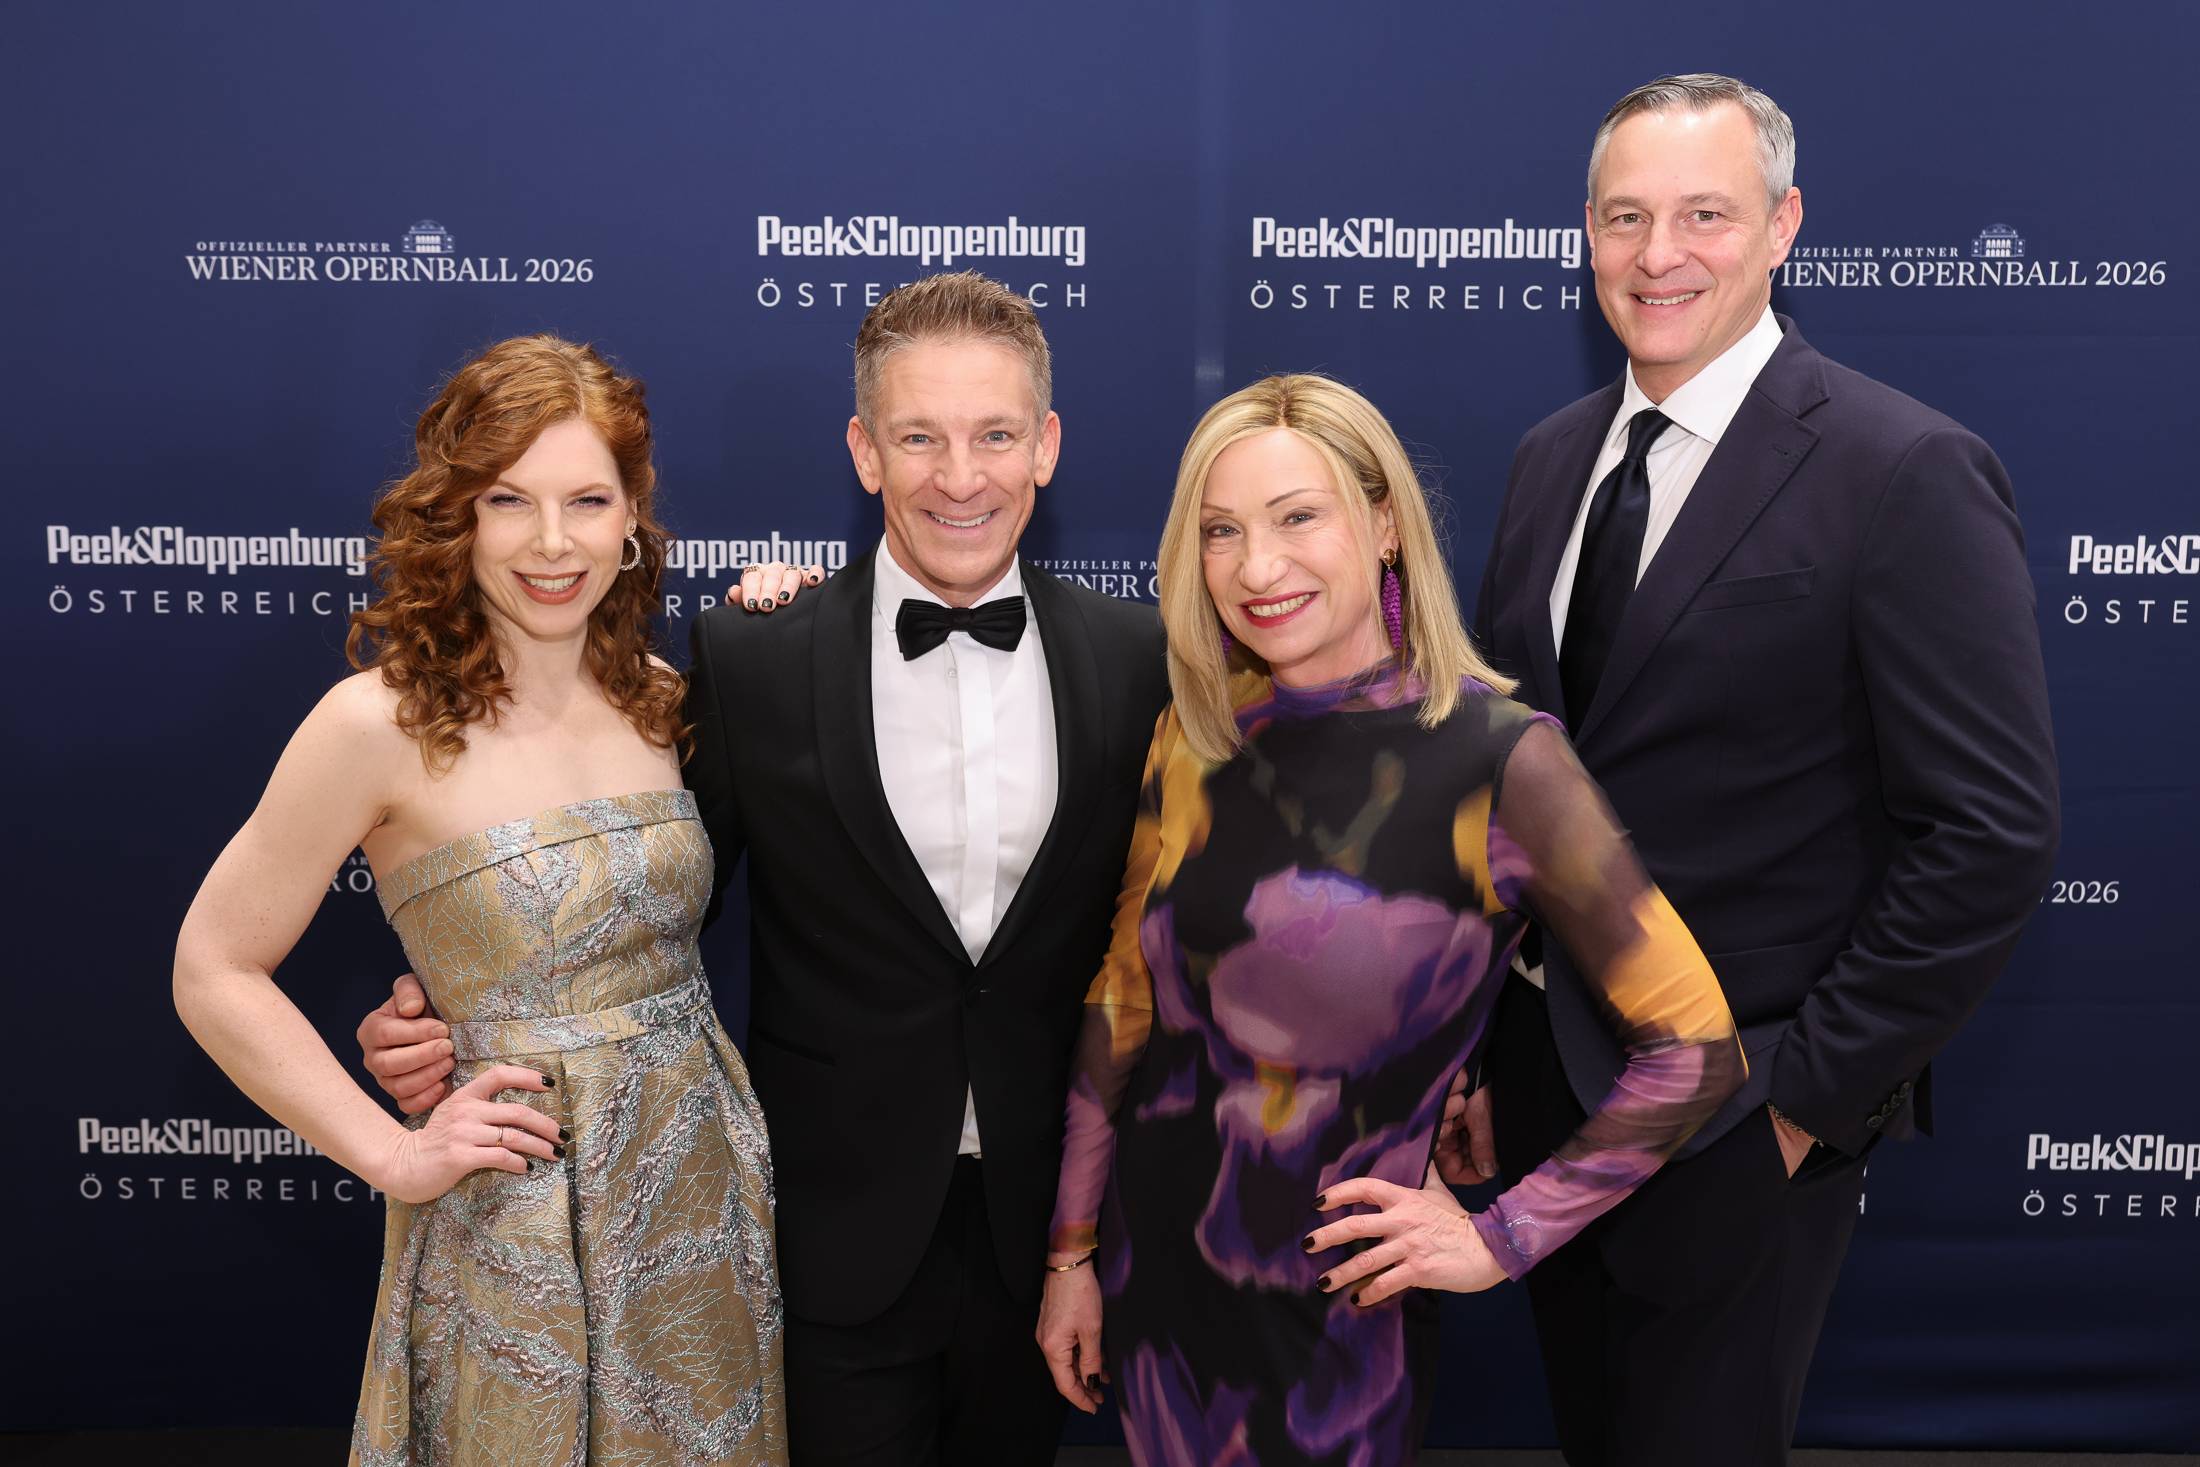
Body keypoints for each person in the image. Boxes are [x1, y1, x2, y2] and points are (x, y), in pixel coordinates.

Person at [362, 274, 1171, 1465]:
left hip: (1054, 1239)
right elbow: (629, 905)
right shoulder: (752, 661)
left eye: (995, 435)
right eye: (918, 437)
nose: (960, 476)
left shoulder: (1141, 660)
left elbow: (1177, 938)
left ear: (1045, 446)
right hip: (816, 1242)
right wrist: (456, 1012)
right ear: (863, 452)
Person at [1447, 74, 2060, 1465]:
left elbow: (1990, 831)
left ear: (1783, 225)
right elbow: (1511, 793)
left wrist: (1801, 1103)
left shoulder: (1902, 468)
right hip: (1548, 1097)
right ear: (1585, 234)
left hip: (1741, 1111)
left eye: (1704, 215)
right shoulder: (1550, 461)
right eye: (1624, 217)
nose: (1657, 253)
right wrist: (1477, 1057)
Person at [1034, 373, 1746, 1467]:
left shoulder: (1502, 760)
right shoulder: (1198, 733)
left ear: (1383, 524)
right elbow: (1125, 1001)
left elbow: (1697, 1051)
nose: (1257, 568)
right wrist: (1072, 1254)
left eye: (1297, 517)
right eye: (1221, 530)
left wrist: (1503, 1236)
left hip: (1338, 1327)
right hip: (1156, 1289)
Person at [175, 336, 786, 1466]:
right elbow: (213, 966)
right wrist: (394, 1154)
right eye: (510, 500)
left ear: (632, 516)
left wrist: (786, 618)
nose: (553, 543)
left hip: (694, 1204)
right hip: (512, 1211)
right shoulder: (377, 724)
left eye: (587, 500)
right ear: (457, 516)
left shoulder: (663, 700)